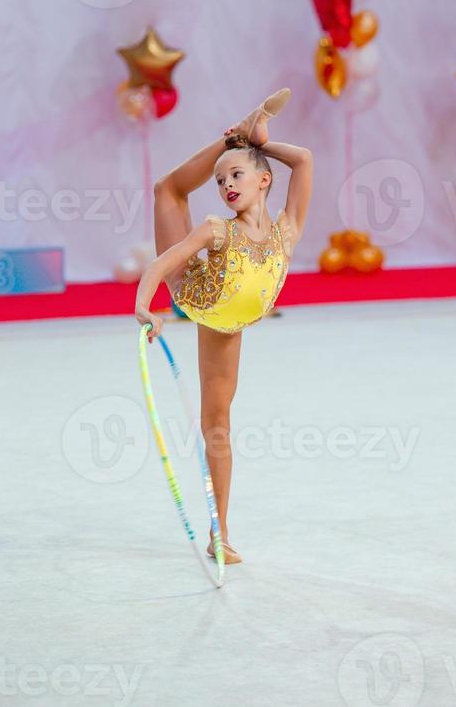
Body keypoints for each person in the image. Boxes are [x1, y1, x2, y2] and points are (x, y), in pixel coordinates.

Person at [135, 89, 313, 564]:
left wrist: (260, 144)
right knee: (166, 190)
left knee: (218, 423)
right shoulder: (216, 228)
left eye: (236, 174)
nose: (226, 185)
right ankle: (234, 134)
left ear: (264, 179)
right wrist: (145, 309)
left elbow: (306, 159)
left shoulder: (286, 232)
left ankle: (222, 534)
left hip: (228, 326)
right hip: (193, 291)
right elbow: (156, 268)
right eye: (220, 180)